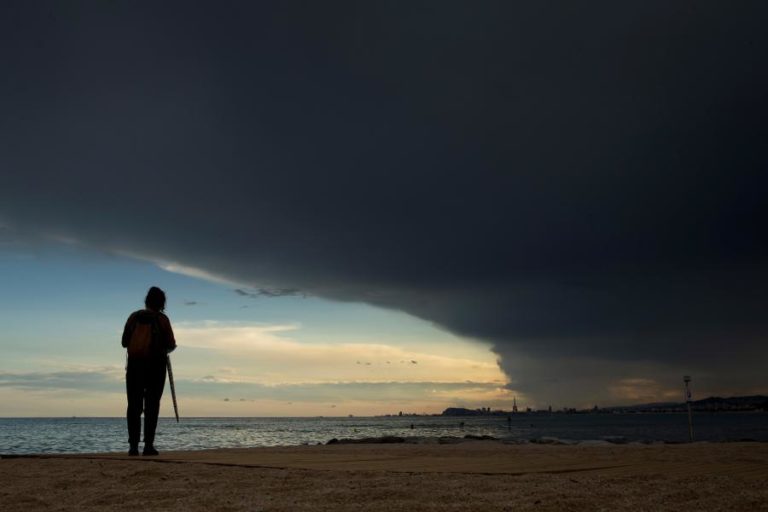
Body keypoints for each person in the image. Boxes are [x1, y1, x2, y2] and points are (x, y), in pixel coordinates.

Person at [121, 286, 176, 456]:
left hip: (134, 366)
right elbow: (171, 344)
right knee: (152, 405)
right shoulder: (162, 320)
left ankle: (132, 446)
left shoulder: (134, 317)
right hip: (156, 366)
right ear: (162, 303)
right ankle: (148, 446)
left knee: (134, 406)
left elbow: (124, 342)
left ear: (146, 301)